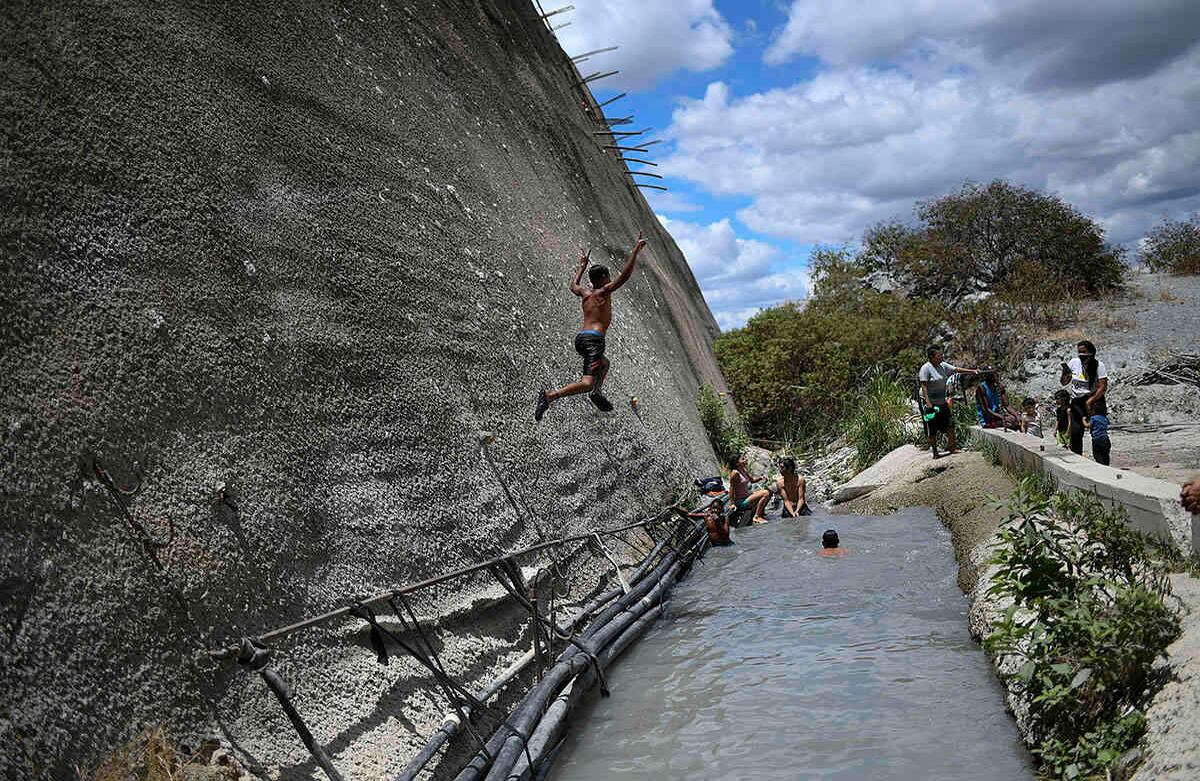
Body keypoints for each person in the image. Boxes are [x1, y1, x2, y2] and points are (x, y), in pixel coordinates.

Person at [535, 230, 647, 421]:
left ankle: (597, 392)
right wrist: (636, 250)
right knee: (587, 382)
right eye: (608, 277)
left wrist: (581, 266)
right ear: (603, 278)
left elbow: (573, 286)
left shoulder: (586, 293)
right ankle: (550, 396)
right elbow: (625, 276)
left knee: (604, 364)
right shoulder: (604, 291)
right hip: (594, 340)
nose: (610, 279)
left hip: (581, 339)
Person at [918, 345, 979, 458]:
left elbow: (956, 369)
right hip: (929, 401)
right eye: (938, 355)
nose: (941, 356)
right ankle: (935, 452)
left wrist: (972, 371)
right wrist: (928, 404)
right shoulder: (925, 369)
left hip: (941, 400)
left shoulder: (943, 365)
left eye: (941, 354)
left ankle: (952, 447)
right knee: (932, 426)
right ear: (931, 357)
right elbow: (924, 387)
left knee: (950, 423)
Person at [1059, 339, 1111, 465]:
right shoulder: (1074, 363)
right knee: (1076, 433)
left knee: (1098, 433)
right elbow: (1064, 382)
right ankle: (1078, 463)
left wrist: (1090, 401)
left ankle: (1102, 463)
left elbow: (1103, 387)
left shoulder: (1099, 366)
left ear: (1092, 353)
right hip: (1077, 402)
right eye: (1080, 352)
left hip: (1095, 401)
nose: (1082, 355)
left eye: (1085, 352)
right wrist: (1065, 374)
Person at [728, 454, 771, 524]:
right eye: (742, 459)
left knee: (770, 491)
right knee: (765, 493)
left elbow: (752, 480)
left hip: (747, 497)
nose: (745, 460)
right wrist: (732, 504)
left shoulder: (742, 470)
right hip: (741, 501)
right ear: (737, 463)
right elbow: (731, 488)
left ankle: (761, 513)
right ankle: (756, 517)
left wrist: (761, 478)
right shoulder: (735, 473)